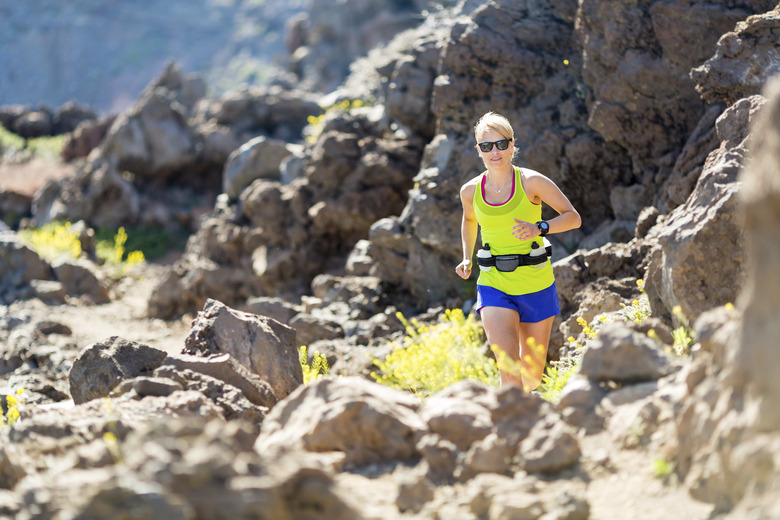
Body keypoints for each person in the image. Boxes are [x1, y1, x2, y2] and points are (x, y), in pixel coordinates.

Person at [455, 112, 581, 390]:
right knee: (509, 368)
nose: (495, 151)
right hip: (494, 283)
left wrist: (540, 227)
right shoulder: (470, 191)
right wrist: (466, 256)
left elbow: (573, 217)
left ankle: (526, 411)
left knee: (532, 377)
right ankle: (509, 428)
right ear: (478, 150)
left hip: (536, 283)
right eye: (486, 146)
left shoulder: (532, 182)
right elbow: (469, 219)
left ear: (512, 145)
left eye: (501, 144)